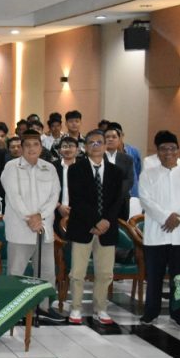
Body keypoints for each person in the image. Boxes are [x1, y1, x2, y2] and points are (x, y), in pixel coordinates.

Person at [138, 130, 180, 326]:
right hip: (157, 233)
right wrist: (166, 217)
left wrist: (178, 218)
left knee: (179, 277)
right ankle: (151, 312)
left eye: (172, 148)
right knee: (154, 276)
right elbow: (146, 200)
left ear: (179, 151)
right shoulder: (148, 174)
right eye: (163, 149)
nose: (168, 152)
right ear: (157, 153)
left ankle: (178, 314)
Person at [0, 131, 64, 323]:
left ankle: (43, 307)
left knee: (46, 272)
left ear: (41, 147)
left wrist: (40, 216)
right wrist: (30, 218)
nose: (31, 148)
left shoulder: (49, 168)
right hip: (21, 228)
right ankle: (14, 310)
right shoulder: (11, 167)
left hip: (44, 228)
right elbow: (14, 196)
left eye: (35, 144)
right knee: (16, 272)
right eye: (27, 145)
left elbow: (55, 195)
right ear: (21, 148)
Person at [65, 130, 125, 325]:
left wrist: (105, 221)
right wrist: (94, 222)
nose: (96, 145)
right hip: (83, 227)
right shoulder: (75, 169)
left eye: (100, 142)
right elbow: (77, 200)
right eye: (91, 142)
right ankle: (76, 308)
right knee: (77, 273)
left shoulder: (116, 172)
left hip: (108, 228)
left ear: (106, 145)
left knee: (105, 273)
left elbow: (118, 201)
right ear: (85, 147)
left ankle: (101, 308)